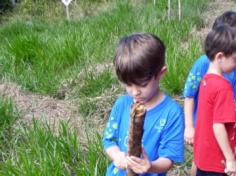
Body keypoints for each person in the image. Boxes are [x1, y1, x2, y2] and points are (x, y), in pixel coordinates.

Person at [102, 32, 184, 176]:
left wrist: (150, 166)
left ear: (160, 73)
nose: (134, 92)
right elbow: (109, 140)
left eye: (142, 85)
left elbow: (169, 159)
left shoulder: (172, 113)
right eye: (128, 85)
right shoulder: (122, 104)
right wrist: (117, 156)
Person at [183, 11, 236, 176]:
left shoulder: (211, 76)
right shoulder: (206, 69)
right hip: (208, 131)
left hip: (224, 126)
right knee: (201, 162)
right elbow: (189, 94)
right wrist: (189, 127)